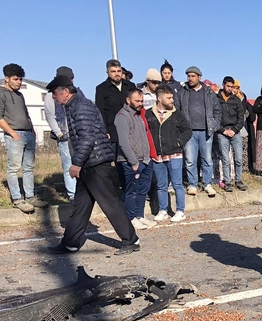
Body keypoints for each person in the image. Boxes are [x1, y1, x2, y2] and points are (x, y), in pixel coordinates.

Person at [46, 75, 139, 255]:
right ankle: (70, 243)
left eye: (55, 94)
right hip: (90, 162)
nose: (54, 98)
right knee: (81, 206)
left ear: (65, 92)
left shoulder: (81, 106)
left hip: (95, 163)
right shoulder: (74, 105)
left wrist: (77, 163)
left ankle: (131, 240)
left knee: (110, 203)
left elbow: (87, 137)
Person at [1, 63, 47, 214]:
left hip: (28, 134)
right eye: (15, 79)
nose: (19, 82)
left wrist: (32, 130)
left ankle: (30, 196)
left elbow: (26, 115)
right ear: (6, 78)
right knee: (14, 168)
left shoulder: (20, 95)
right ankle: (17, 198)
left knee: (29, 168)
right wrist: (13, 134)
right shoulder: (1, 93)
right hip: (15, 135)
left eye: (20, 79)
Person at [146, 84, 191, 223]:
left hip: (175, 155)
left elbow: (187, 130)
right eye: (169, 97)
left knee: (177, 184)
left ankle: (180, 211)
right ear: (159, 98)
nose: (172, 100)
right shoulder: (148, 114)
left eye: (172, 97)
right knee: (161, 185)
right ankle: (163, 210)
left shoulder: (177, 114)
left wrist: (179, 142)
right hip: (158, 156)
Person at [174, 66, 222, 197]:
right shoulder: (182, 92)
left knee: (207, 159)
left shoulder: (208, 92)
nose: (190, 78)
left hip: (206, 131)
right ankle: (192, 184)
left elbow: (217, 110)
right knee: (190, 160)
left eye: (193, 76)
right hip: (189, 132)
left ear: (199, 77)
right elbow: (176, 110)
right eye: (188, 76)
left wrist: (215, 124)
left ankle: (207, 184)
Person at [115, 89, 156, 230]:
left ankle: (140, 215)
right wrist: (133, 162)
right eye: (137, 101)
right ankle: (131, 218)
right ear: (128, 100)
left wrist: (148, 158)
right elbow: (123, 142)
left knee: (143, 190)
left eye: (141, 101)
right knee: (131, 191)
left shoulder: (139, 115)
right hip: (130, 161)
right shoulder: (122, 117)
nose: (140, 104)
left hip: (145, 159)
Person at [43, 66, 78, 202]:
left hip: (76, 133)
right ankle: (72, 194)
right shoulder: (50, 95)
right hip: (63, 135)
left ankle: (81, 192)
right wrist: (58, 133)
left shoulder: (74, 93)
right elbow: (50, 115)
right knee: (68, 165)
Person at [215, 76, 247, 192]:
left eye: (232, 87)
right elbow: (214, 118)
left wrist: (234, 130)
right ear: (223, 85)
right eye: (228, 86)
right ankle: (227, 182)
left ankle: (238, 180)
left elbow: (241, 117)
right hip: (222, 132)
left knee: (238, 158)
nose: (230, 89)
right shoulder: (216, 99)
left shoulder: (236, 100)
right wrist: (223, 131)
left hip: (235, 132)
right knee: (225, 159)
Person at [95, 59, 135, 144]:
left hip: (132, 129)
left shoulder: (130, 86)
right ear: (107, 72)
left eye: (119, 71)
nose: (117, 74)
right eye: (113, 71)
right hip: (113, 131)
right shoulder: (101, 89)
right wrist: (105, 131)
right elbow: (100, 112)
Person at [234, 80, 257, 176]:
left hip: (243, 128)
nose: (235, 90)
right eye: (233, 87)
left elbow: (245, 112)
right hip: (232, 127)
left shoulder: (242, 98)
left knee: (243, 149)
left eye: (237, 88)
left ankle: (245, 169)